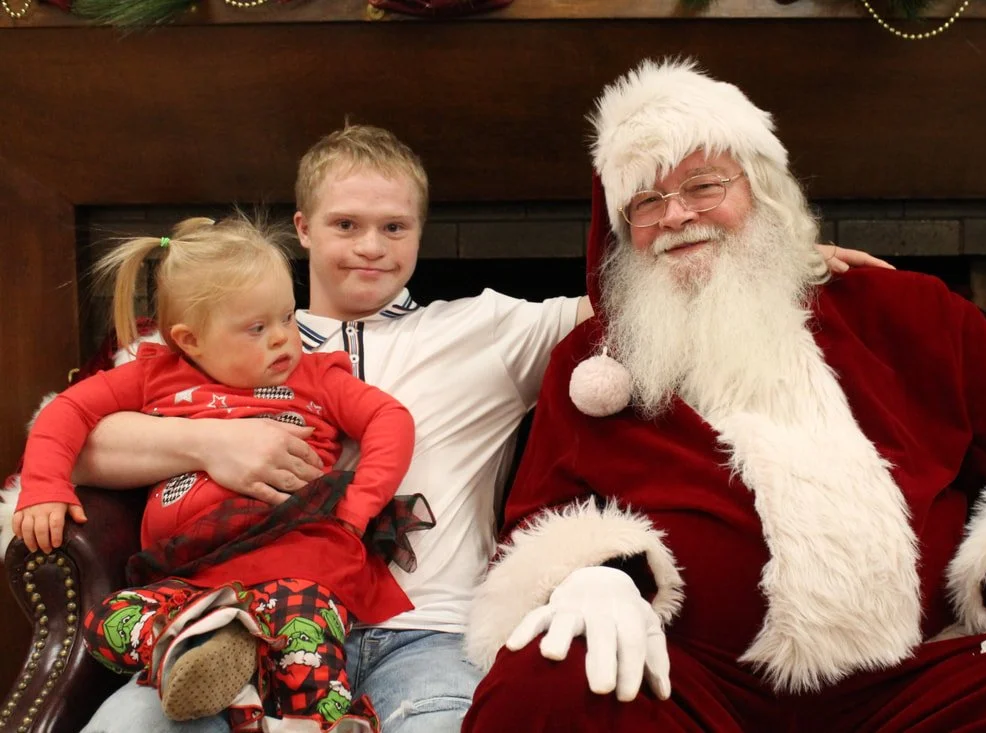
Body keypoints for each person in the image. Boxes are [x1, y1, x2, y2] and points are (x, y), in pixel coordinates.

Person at [60, 124, 883, 733]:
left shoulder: (490, 329)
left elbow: (653, 294)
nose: (372, 248)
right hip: (236, 621)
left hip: (430, 630)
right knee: (123, 728)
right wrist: (211, 441)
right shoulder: (219, 340)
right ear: (305, 229)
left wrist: (785, 257)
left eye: (395, 228)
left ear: (422, 231)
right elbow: (81, 443)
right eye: (347, 225)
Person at [462, 59, 986, 733]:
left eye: (703, 186)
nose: (676, 215)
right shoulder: (592, 360)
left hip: (918, 684)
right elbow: (540, 514)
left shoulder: (907, 310)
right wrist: (592, 576)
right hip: (689, 682)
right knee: (544, 683)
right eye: (645, 202)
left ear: (761, 192)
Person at [13, 215, 419, 732]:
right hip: (190, 580)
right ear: (191, 340)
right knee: (107, 621)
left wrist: (358, 507)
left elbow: (390, 419)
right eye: (257, 328)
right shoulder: (153, 375)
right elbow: (65, 412)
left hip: (295, 564)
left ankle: (321, 718)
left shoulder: (315, 377)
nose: (283, 340)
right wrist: (44, 486)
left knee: (305, 653)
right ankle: (203, 641)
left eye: (287, 318)